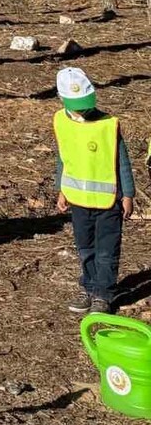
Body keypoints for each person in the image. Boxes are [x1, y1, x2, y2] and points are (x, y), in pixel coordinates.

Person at [53, 67, 134, 314]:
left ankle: (103, 294)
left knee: (106, 250)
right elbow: (63, 158)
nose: (83, 109)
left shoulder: (107, 125)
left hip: (109, 202)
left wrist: (128, 194)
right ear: (62, 99)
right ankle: (88, 287)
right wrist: (61, 189)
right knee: (85, 247)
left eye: (86, 103)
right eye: (77, 105)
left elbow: (121, 161)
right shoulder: (61, 122)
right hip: (78, 201)